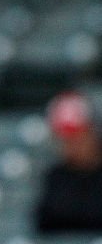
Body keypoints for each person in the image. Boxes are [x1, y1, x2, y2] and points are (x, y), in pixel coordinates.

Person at [35, 90, 102, 233]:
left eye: (78, 136)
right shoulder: (56, 178)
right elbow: (45, 224)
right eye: (65, 139)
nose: (72, 144)